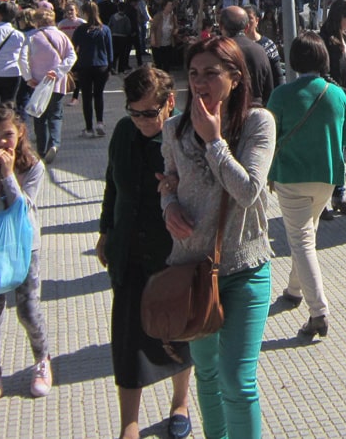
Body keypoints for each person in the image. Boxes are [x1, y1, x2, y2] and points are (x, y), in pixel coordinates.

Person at [161, 37, 276, 439]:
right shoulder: (174, 128)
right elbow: (169, 183)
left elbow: (248, 193)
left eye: (211, 72)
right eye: (193, 74)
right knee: (207, 376)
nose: (199, 82)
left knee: (236, 380)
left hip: (244, 268)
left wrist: (213, 141)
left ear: (235, 77)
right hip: (192, 271)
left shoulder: (259, 123)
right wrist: (169, 207)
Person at [97, 67, 194, 439]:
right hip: (128, 252)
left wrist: (177, 187)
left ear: (169, 103)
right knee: (126, 339)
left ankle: (180, 402)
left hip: (172, 255)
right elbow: (112, 184)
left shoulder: (185, 139)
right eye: (133, 112)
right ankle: (129, 424)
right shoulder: (124, 132)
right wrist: (106, 230)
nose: (140, 121)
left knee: (179, 334)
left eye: (148, 113)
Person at [266, 32, 346, 337]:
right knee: (307, 235)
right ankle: (294, 289)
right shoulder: (336, 94)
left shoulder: (281, 95)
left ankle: (318, 311)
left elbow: (269, 137)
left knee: (301, 240)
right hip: (328, 177)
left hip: (291, 176)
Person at [0, 103, 52, 414]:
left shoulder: (34, 166)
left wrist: (8, 174)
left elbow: (21, 209)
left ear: (20, 133)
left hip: (26, 246)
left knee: (28, 310)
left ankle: (42, 360)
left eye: (8, 135)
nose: (2, 143)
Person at [319, 0, 346, 218]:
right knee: (329, 153)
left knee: (341, 152)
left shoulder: (343, 39)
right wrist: (345, 92)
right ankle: (322, 200)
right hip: (332, 102)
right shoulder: (325, 40)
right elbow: (324, 74)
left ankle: (339, 196)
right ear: (338, 16)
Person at [19, 7, 76, 163]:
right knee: (56, 115)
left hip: (38, 83)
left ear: (36, 21)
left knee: (40, 117)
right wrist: (58, 71)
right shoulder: (62, 36)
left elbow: (22, 59)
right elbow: (72, 56)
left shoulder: (31, 37)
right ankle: (55, 143)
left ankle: (42, 150)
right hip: (57, 83)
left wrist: (28, 77)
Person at [73, 0, 114, 137]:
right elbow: (110, 51)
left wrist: (74, 68)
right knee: (98, 95)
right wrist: (110, 67)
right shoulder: (105, 29)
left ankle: (89, 128)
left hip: (85, 65)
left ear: (85, 13)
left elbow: (74, 49)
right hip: (101, 65)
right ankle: (100, 122)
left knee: (86, 96)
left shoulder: (80, 30)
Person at [218, 6, 274, 106]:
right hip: (258, 110)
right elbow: (269, 89)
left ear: (220, 26)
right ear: (246, 27)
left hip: (229, 112)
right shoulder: (260, 50)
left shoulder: (219, 51)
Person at [244, 5, 285, 89]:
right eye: (243, 19)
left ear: (257, 20)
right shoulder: (235, 45)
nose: (246, 22)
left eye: (249, 18)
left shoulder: (268, 44)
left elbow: (277, 74)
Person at [57, 1, 86, 105]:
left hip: (78, 53)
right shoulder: (61, 24)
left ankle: (75, 97)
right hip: (65, 53)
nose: (69, 12)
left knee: (76, 75)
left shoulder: (82, 23)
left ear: (76, 11)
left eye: (72, 10)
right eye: (67, 10)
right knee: (65, 73)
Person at [150, 0, 181, 73]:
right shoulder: (158, 16)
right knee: (158, 64)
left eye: (171, 5)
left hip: (168, 43)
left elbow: (176, 26)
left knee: (167, 63)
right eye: (169, 5)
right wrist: (153, 38)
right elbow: (153, 28)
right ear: (164, 6)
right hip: (158, 43)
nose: (171, 7)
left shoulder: (173, 17)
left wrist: (176, 30)